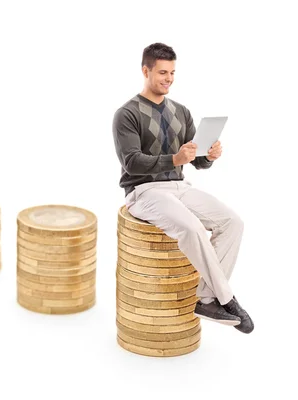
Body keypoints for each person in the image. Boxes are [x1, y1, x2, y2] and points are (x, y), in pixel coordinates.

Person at [112, 42, 254, 334]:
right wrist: (174, 158)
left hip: (180, 186)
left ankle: (205, 298)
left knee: (233, 222)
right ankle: (227, 299)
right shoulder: (127, 114)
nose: (168, 79)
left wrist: (208, 156)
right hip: (143, 191)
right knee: (191, 228)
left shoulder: (181, 112)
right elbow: (132, 162)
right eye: (162, 72)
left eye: (173, 73)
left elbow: (197, 161)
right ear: (145, 70)